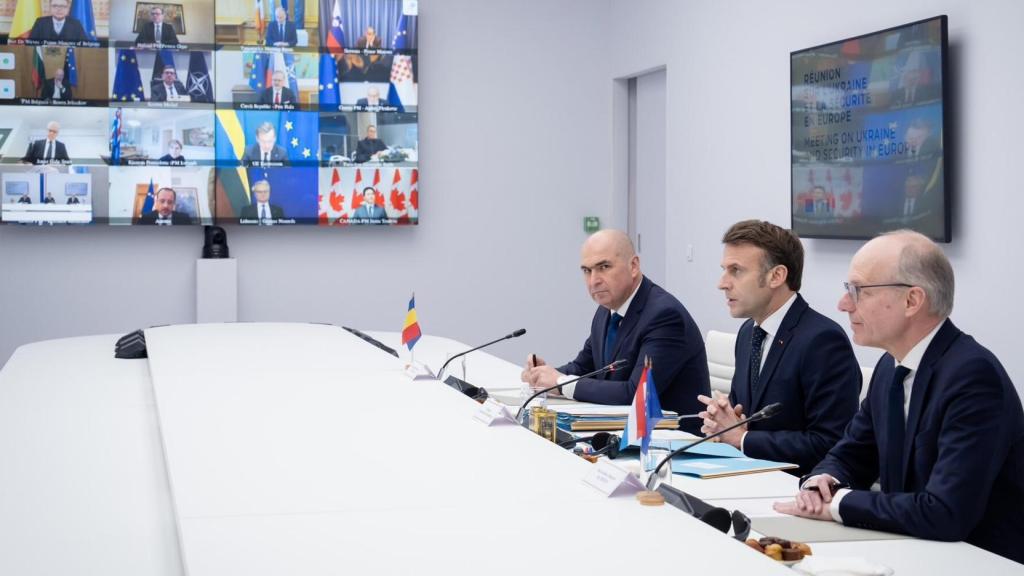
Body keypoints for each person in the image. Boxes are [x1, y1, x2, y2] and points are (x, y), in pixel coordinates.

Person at [773, 230, 1024, 564]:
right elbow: (851, 455)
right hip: (909, 548)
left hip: (976, 561)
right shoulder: (891, 365)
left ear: (912, 301)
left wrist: (837, 504)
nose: (843, 304)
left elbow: (946, 512)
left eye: (858, 291)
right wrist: (824, 482)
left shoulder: (973, 377)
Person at [699, 220, 860, 475]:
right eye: (724, 270)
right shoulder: (748, 333)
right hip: (749, 475)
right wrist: (723, 422)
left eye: (736, 271)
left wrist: (741, 439)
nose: (722, 283)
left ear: (776, 276)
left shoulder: (823, 341)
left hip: (797, 489)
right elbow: (746, 418)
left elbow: (832, 444)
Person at [521, 230, 710, 429]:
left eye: (604, 267)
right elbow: (583, 368)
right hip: (621, 431)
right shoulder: (606, 312)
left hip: (669, 444)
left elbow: (636, 393)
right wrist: (542, 375)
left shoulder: (665, 315)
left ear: (634, 266)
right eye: (587, 271)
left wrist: (560, 382)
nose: (594, 280)